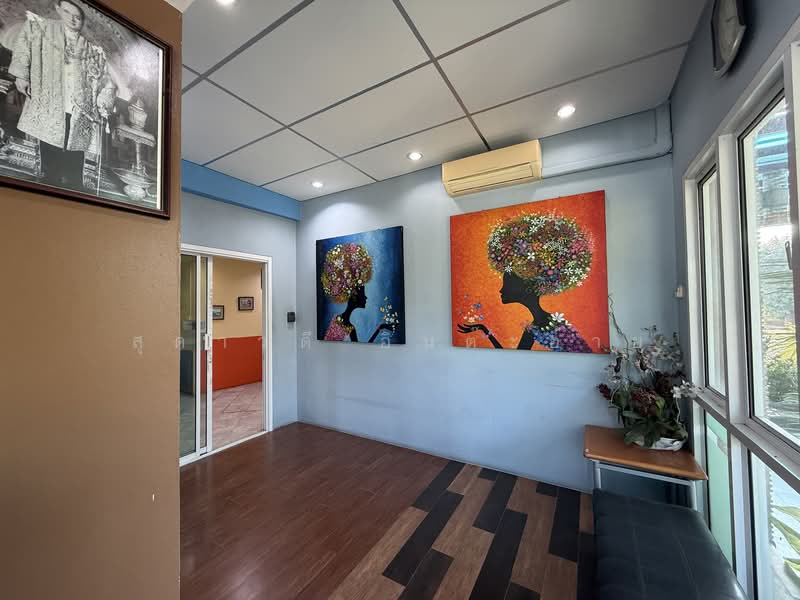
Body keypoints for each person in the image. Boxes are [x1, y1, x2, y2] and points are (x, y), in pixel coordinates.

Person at [458, 212, 594, 352]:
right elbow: (512, 359)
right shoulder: (534, 327)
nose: (501, 290)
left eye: (507, 284)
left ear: (527, 287)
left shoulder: (550, 325)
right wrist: (484, 329)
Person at [9, 1, 110, 188]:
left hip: (79, 110)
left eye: (77, 16)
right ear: (58, 10)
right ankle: (48, 183)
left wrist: (104, 100)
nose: (72, 19)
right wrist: (21, 75)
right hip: (52, 103)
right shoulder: (41, 28)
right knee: (50, 153)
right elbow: (23, 47)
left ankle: (73, 189)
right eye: (67, 12)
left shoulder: (91, 48)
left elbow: (104, 80)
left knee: (75, 157)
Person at [320, 242, 393, 343]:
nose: (366, 297)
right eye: (363, 294)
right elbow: (364, 348)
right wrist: (380, 328)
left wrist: (379, 328)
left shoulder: (338, 319)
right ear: (354, 296)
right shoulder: (348, 327)